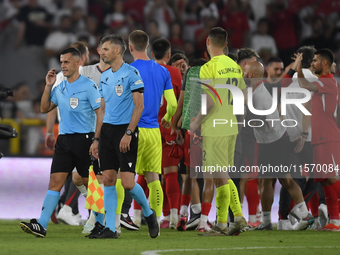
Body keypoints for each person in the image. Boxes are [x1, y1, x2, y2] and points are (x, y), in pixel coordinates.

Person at [19, 47, 101, 238]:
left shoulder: (89, 86)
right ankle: (41, 225)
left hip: (85, 140)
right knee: (55, 182)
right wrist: (48, 86)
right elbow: (44, 107)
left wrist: (96, 140)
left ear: (78, 62)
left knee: (92, 184)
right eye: (61, 62)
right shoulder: (60, 86)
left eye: (66, 62)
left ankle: (100, 223)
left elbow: (100, 114)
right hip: (64, 141)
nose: (62, 65)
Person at [90, 34, 159, 239]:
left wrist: (129, 133)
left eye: (105, 49)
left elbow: (140, 106)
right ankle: (111, 228)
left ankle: (149, 214)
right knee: (109, 179)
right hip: (108, 132)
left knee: (128, 183)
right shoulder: (104, 76)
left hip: (125, 131)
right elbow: (101, 110)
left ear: (117, 51)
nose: (101, 52)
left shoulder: (131, 73)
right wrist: (96, 138)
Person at [243, 61, 314, 231]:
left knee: (285, 178)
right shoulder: (254, 90)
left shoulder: (259, 96)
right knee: (266, 180)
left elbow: (266, 123)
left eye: (244, 70)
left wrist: (244, 120)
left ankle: (304, 214)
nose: (242, 73)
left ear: (251, 75)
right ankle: (267, 221)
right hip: (268, 142)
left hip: (275, 142)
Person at [190, 27, 247, 235]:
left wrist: (196, 123)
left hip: (214, 127)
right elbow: (243, 97)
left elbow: (211, 101)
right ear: (225, 43)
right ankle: (222, 223)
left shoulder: (209, 67)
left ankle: (239, 216)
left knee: (220, 175)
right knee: (220, 174)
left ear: (207, 41)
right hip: (231, 125)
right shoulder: (234, 65)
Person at [128, 30, 177, 230]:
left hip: (133, 130)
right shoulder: (162, 71)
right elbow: (172, 104)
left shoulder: (127, 70)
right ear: (147, 46)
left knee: (126, 175)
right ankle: (155, 221)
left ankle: (121, 220)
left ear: (130, 47)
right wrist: (166, 118)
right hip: (154, 130)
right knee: (154, 177)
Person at [296, 49, 340, 231]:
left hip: (327, 137)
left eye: (315, 61)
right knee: (324, 180)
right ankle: (335, 222)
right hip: (320, 137)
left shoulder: (327, 81)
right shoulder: (326, 81)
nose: (312, 63)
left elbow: (304, 84)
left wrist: (298, 66)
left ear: (324, 63)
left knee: (331, 177)